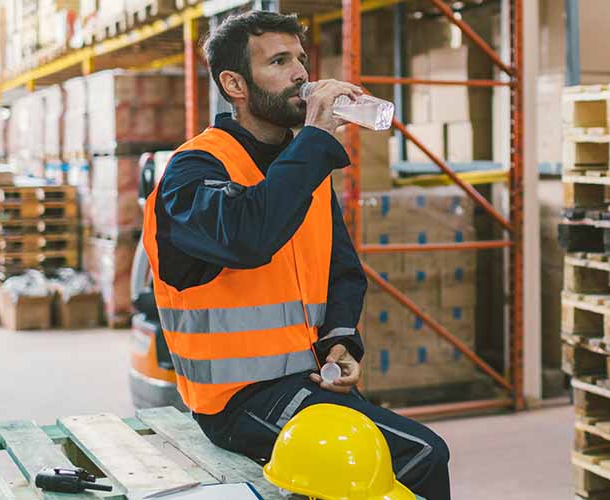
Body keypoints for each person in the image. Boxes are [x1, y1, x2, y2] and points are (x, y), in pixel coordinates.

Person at [138, 10, 452, 500]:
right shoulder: (193, 170)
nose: (301, 74)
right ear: (234, 84)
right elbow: (247, 236)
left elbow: (340, 272)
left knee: (370, 473)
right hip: (236, 400)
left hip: (305, 379)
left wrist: (340, 343)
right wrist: (317, 139)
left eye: (301, 60)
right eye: (279, 61)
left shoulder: (300, 169)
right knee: (420, 455)